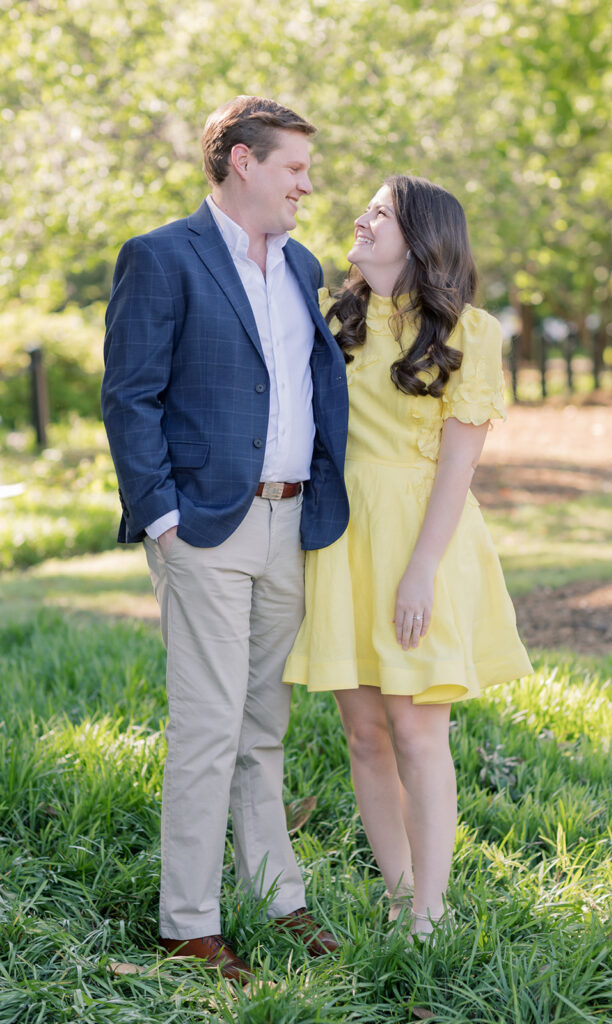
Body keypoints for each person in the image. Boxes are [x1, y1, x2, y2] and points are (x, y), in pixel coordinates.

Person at [101, 96, 349, 982]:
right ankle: (188, 923)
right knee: (208, 724)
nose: (306, 186)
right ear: (242, 162)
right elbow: (130, 394)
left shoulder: (302, 265)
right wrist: (161, 516)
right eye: (293, 169)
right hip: (202, 526)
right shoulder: (162, 256)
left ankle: (279, 897)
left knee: (264, 725)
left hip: (291, 521)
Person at [284, 174, 532, 939]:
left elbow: (459, 468)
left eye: (381, 212)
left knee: (418, 730)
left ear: (422, 235)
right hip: (345, 537)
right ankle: (398, 895)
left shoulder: (472, 333)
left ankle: (432, 910)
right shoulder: (337, 318)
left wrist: (420, 570)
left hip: (425, 537)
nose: (362, 217)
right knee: (363, 732)